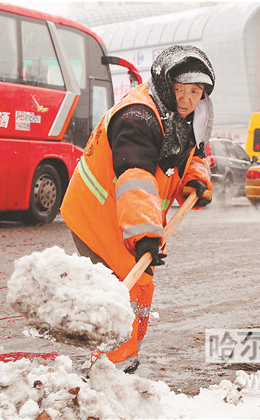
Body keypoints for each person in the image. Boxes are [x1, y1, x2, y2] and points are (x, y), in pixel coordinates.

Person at [60, 45, 215, 373]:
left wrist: (196, 181)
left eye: (196, 92)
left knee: (139, 290)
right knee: (119, 296)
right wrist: (145, 234)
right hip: (99, 215)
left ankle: (123, 365)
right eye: (179, 90)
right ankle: (109, 374)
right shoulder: (138, 117)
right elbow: (136, 178)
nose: (187, 100)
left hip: (132, 218)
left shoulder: (190, 116)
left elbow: (193, 156)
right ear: (164, 84)